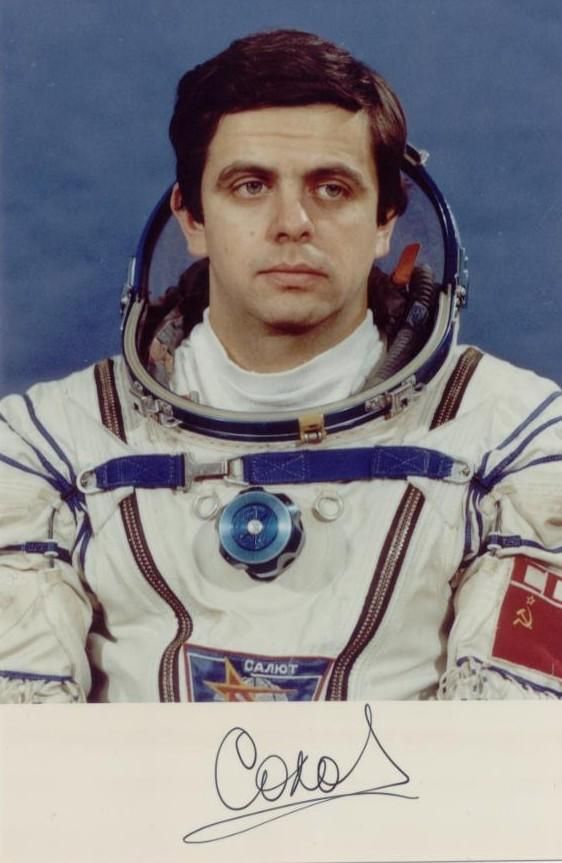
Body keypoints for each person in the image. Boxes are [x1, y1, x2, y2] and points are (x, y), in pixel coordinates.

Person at [1, 30, 561, 703]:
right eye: (250, 185)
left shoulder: (516, 440)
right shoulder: (47, 448)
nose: (292, 222)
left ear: (385, 219)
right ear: (192, 218)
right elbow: (22, 745)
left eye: (332, 187)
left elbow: (510, 746)